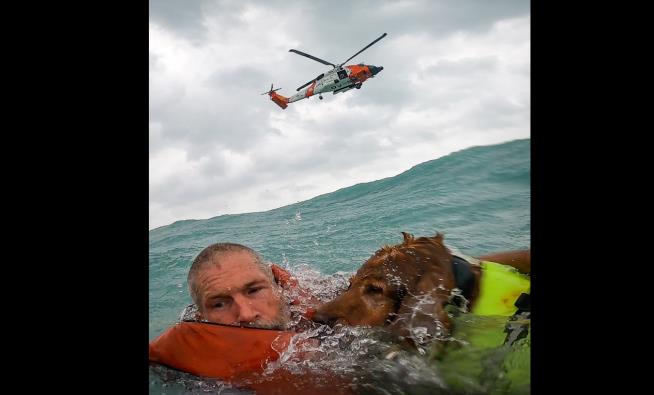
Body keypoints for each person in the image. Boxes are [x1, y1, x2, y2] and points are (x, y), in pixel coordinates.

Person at [149, 241, 530, 383]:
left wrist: (460, 270)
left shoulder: (326, 297)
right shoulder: (190, 363)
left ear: (279, 287)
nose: (245, 313)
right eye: (219, 303)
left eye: (254, 290)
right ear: (199, 314)